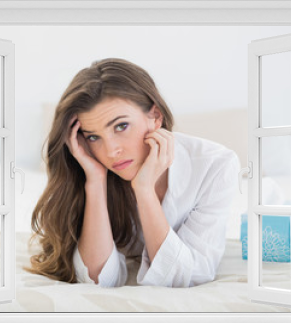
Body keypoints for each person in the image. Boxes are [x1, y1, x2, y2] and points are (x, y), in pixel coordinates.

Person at [25, 58, 239, 288]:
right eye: (93, 137)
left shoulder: (215, 165)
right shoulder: (92, 166)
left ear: (155, 116)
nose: (111, 151)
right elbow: (97, 279)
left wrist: (144, 190)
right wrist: (95, 182)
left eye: (121, 126)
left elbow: (187, 277)